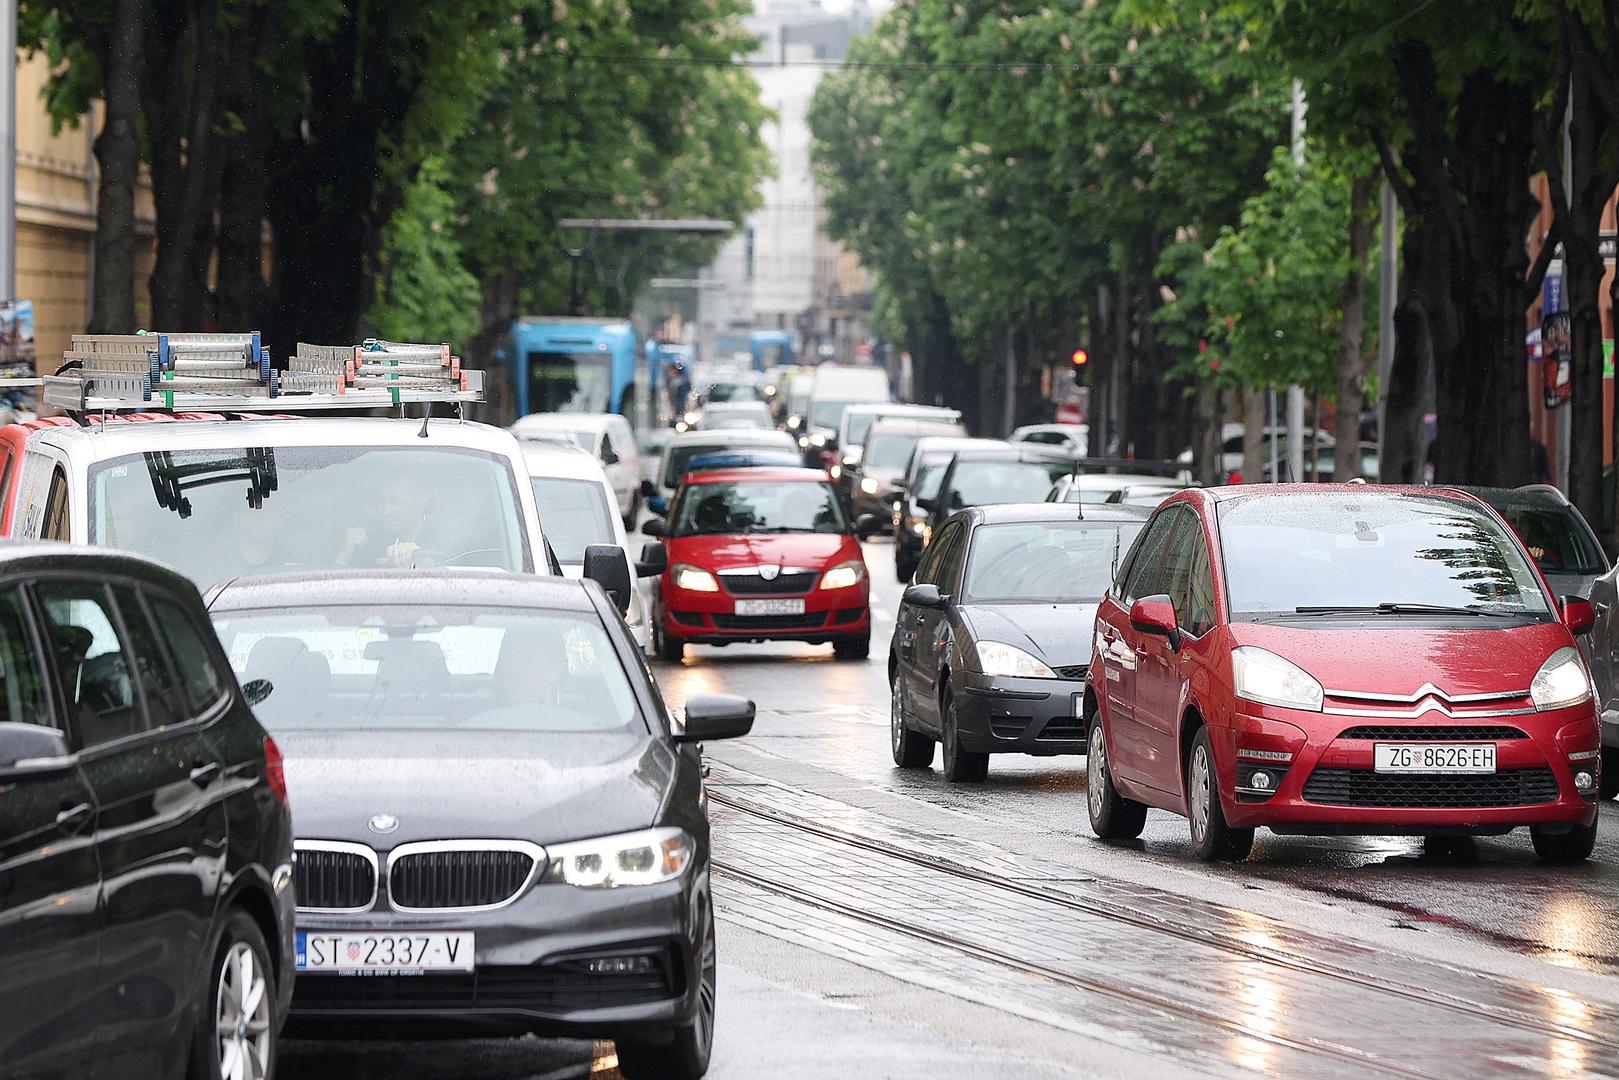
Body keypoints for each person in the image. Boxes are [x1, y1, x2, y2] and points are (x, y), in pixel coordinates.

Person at [337, 474, 436, 568]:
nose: (385, 511)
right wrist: (342, 558)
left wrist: (425, 566)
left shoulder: (444, 544)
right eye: (381, 502)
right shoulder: (367, 545)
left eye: (395, 502)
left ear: (421, 503)